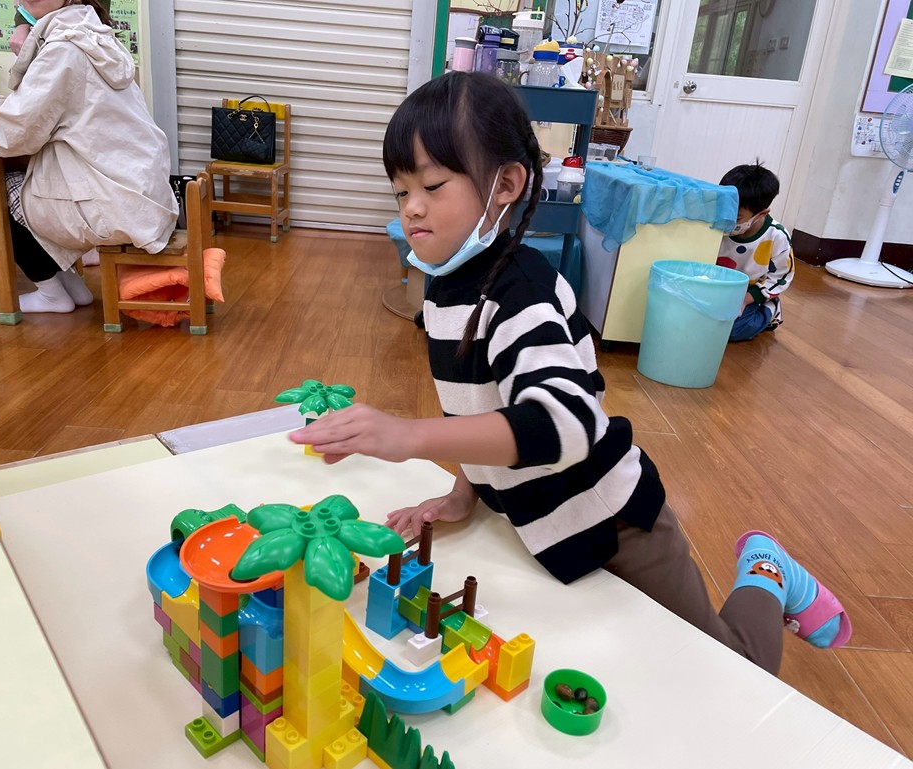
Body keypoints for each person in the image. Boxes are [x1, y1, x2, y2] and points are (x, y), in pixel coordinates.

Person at [289, 72, 850, 675]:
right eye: (401, 191)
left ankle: (766, 569)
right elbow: (480, 407)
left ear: (505, 185)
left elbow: (564, 421)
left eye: (431, 185)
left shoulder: (521, 290)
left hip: (615, 524)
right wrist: (463, 493)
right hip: (545, 529)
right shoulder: (446, 289)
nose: (412, 207)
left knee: (729, 669)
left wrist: (409, 436)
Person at [0, 0, 177, 313]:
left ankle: (51, 293)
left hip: (110, 201)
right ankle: (70, 286)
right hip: (136, 192)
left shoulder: (64, 49)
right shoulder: (98, 38)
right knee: (26, 180)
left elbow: (16, 127)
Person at [717, 163, 795, 342]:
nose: (728, 219)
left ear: (761, 214)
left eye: (736, 217)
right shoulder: (717, 225)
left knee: (733, 331)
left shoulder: (777, 237)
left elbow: (782, 276)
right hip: (719, 287)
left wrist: (747, 299)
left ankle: (771, 309)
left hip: (751, 292)